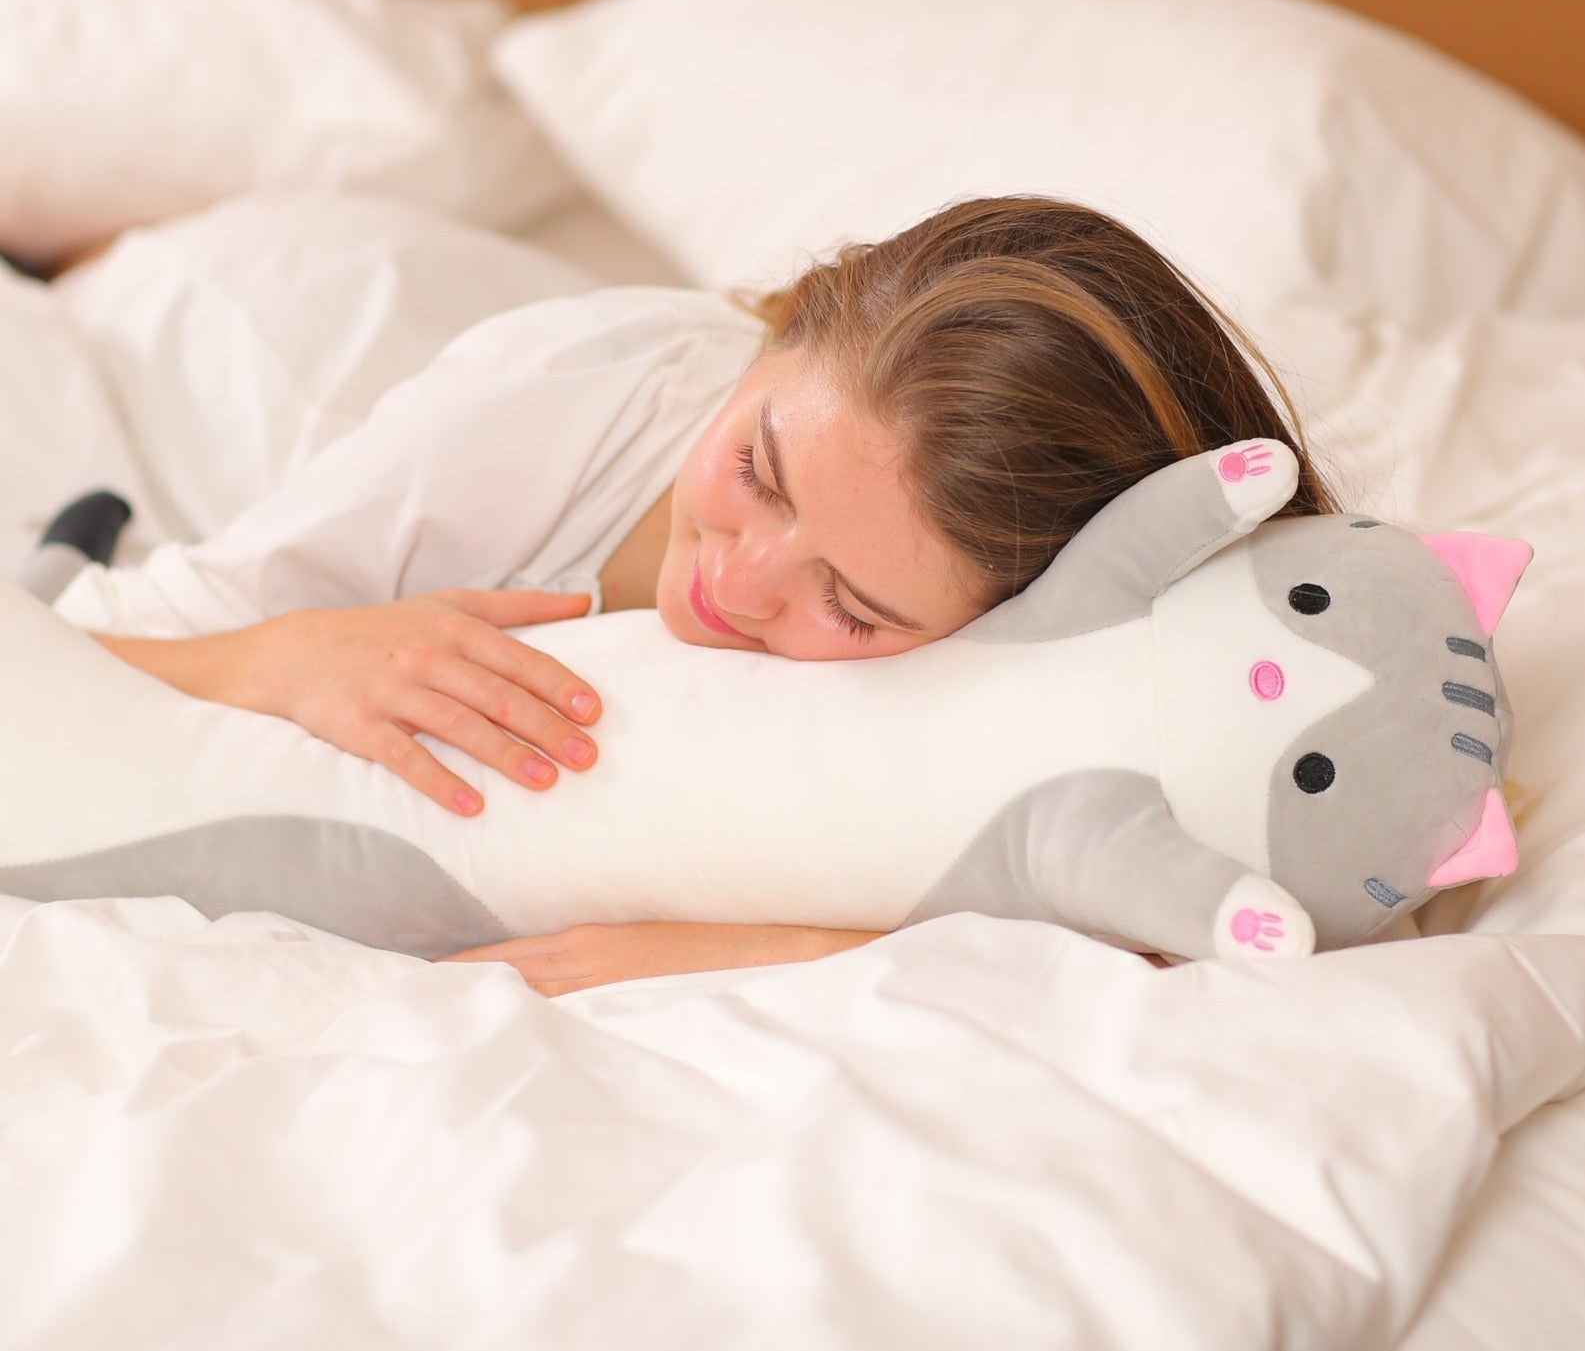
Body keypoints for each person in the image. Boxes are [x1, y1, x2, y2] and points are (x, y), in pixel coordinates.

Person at [55, 195, 1333, 994]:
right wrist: (281, 654)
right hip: (270, 382)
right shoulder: (569, 401)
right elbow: (84, 652)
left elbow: (1182, 909)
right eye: (756, 473)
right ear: (777, 340)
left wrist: (789, 953)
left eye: (853, 606)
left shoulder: (1058, 650)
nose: (735, 580)